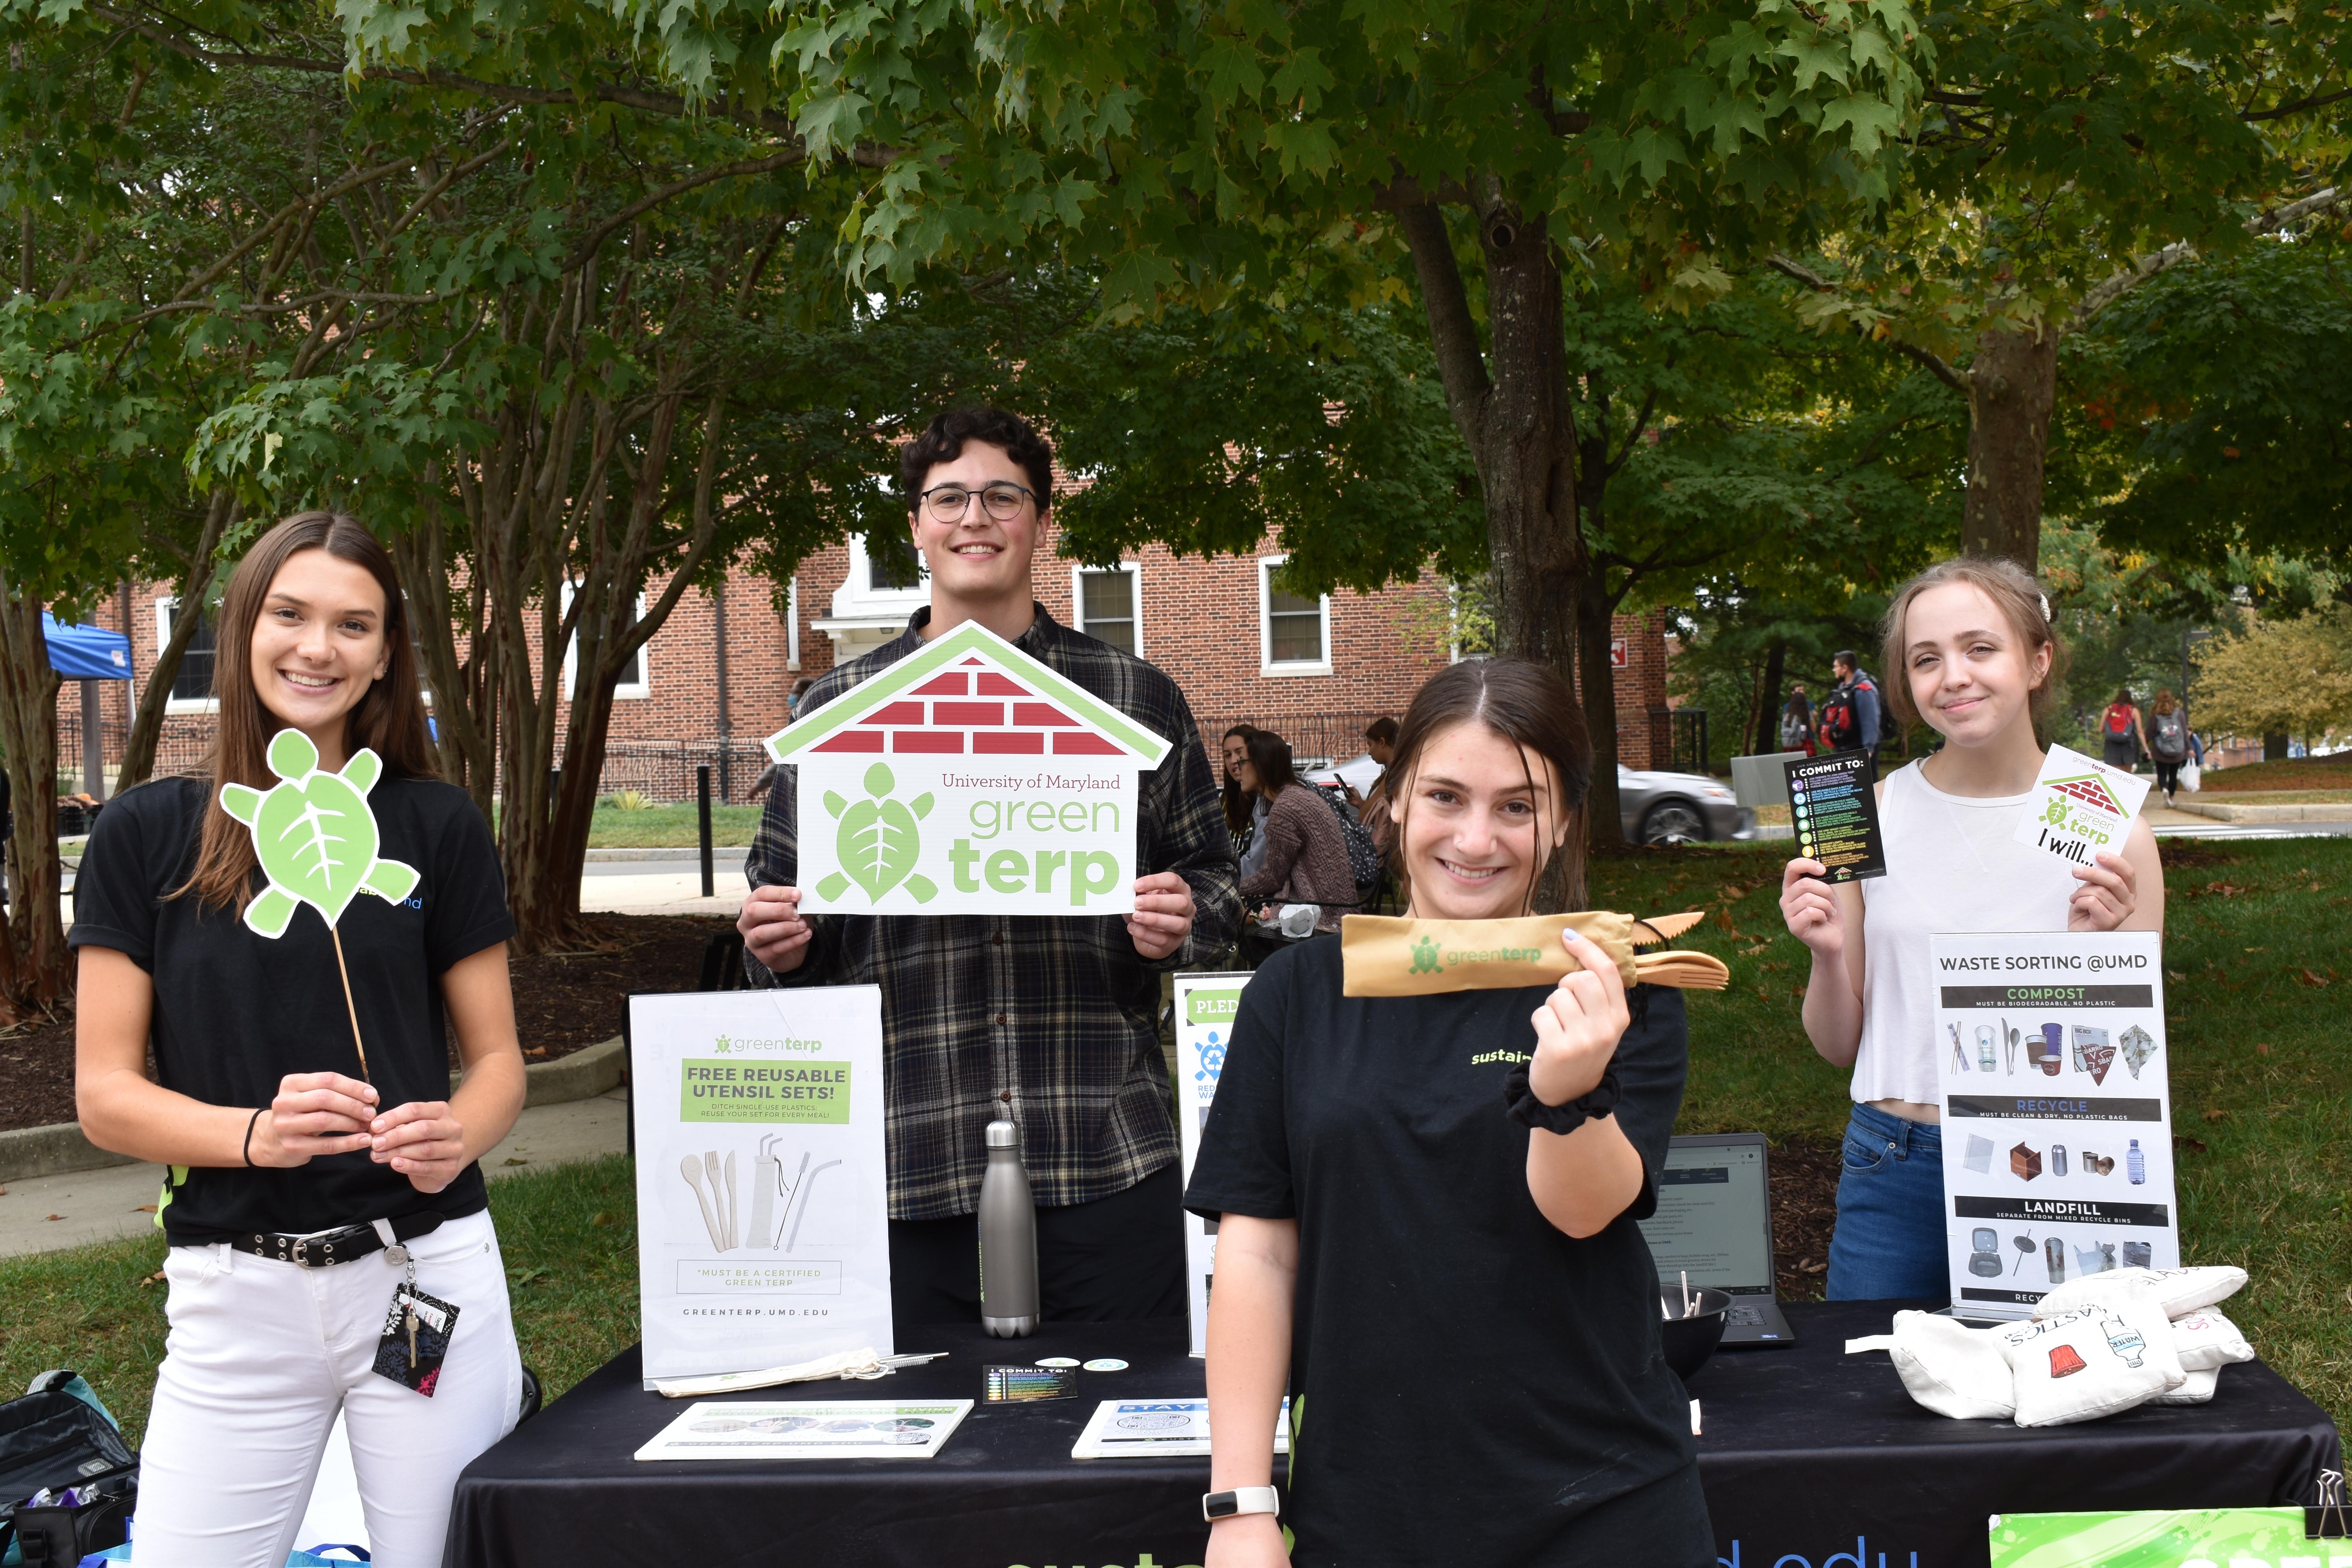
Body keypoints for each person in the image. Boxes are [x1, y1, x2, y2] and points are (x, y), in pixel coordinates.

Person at [71, 513, 526, 1567]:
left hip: (425, 1275)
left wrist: (458, 1133)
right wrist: (254, 1136)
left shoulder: (435, 824)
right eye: (290, 613)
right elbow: (103, 1093)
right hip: (238, 1298)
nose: (317, 648)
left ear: (383, 655)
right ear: (240, 626)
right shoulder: (145, 833)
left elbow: (500, 1066)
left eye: (352, 625)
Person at [1189, 658, 1711, 1568]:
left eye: (1518, 805)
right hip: (1366, 1504)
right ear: (1391, 802)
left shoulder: (1618, 987)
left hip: (1604, 1501)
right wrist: (1240, 1503)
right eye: (1445, 796)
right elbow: (1259, 1250)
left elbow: (1586, 1210)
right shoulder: (1296, 991)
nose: (1477, 838)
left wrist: (1568, 1088)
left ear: (1561, 825)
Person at [735, 406, 1241, 1327]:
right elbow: (769, 931)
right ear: (915, 525)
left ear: (1040, 521)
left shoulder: (1135, 696)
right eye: (950, 498)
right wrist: (780, 945)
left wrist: (1184, 918)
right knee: (916, 1453)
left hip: (1102, 1141)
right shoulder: (839, 707)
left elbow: (1217, 883)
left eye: (1003, 496)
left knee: (1119, 1433)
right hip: (906, 1153)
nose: (976, 517)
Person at [1777, 558, 2164, 1300]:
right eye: (1926, 659)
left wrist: (2099, 954)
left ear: (2037, 660)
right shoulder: (1860, 810)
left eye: (1981, 648)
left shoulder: (2104, 821)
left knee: (2050, 1400)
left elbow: (2125, 1070)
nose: (1953, 676)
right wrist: (1826, 956)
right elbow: (1837, 1047)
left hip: (2057, 1158)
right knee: (1868, 1398)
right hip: (1894, 1163)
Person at [1234, 730, 1358, 951]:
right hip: (1337, 909)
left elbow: (1271, 878)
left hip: (1322, 918)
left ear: (1261, 765)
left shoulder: (1285, 807)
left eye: (1243, 761)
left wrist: (1231, 887)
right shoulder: (1297, 795)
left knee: (1240, 932)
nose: (1237, 767)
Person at [1222, 725, 1269, 878]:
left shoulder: (1270, 798)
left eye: (1240, 752)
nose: (1235, 761)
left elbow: (1259, 862)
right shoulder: (1224, 800)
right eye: (1228, 755)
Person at [1818, 651, 1883, 759]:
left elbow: (1870, 720)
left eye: (1836, 667)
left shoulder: (1864, 689)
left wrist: (1869, 747)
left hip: (1861, 748)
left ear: (1845, 668)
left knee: (1868, 776)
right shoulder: (1843, 687)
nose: (1834, 670)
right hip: (1846, 745)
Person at [2147, 689, 2190, 806]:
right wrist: (2189, 748)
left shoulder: (2155, 715)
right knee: (2174, 775)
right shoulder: (2179, 713)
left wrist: (2146, 748)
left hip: (2161, 750)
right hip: (2178, 750)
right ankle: (2171, 798)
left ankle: (2164, 789)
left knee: (2162, 774)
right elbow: (2185, 733)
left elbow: (2150, 732)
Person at [2101, 686, 2150, 773]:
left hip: (2112, 743)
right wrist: (2146, 748)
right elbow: (2140, 731)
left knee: (2112, 773)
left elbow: (2101, 729)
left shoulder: (2108, 709)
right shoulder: (2133, 711)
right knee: (2127, 773)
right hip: (2129, 744)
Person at [1780, 684, 1816, 755]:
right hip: (1805, 742)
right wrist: (1814, 717)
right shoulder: (1808, 712)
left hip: (1790, 743)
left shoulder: (1787, 713)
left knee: (1791, 764)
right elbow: (1814, 729)